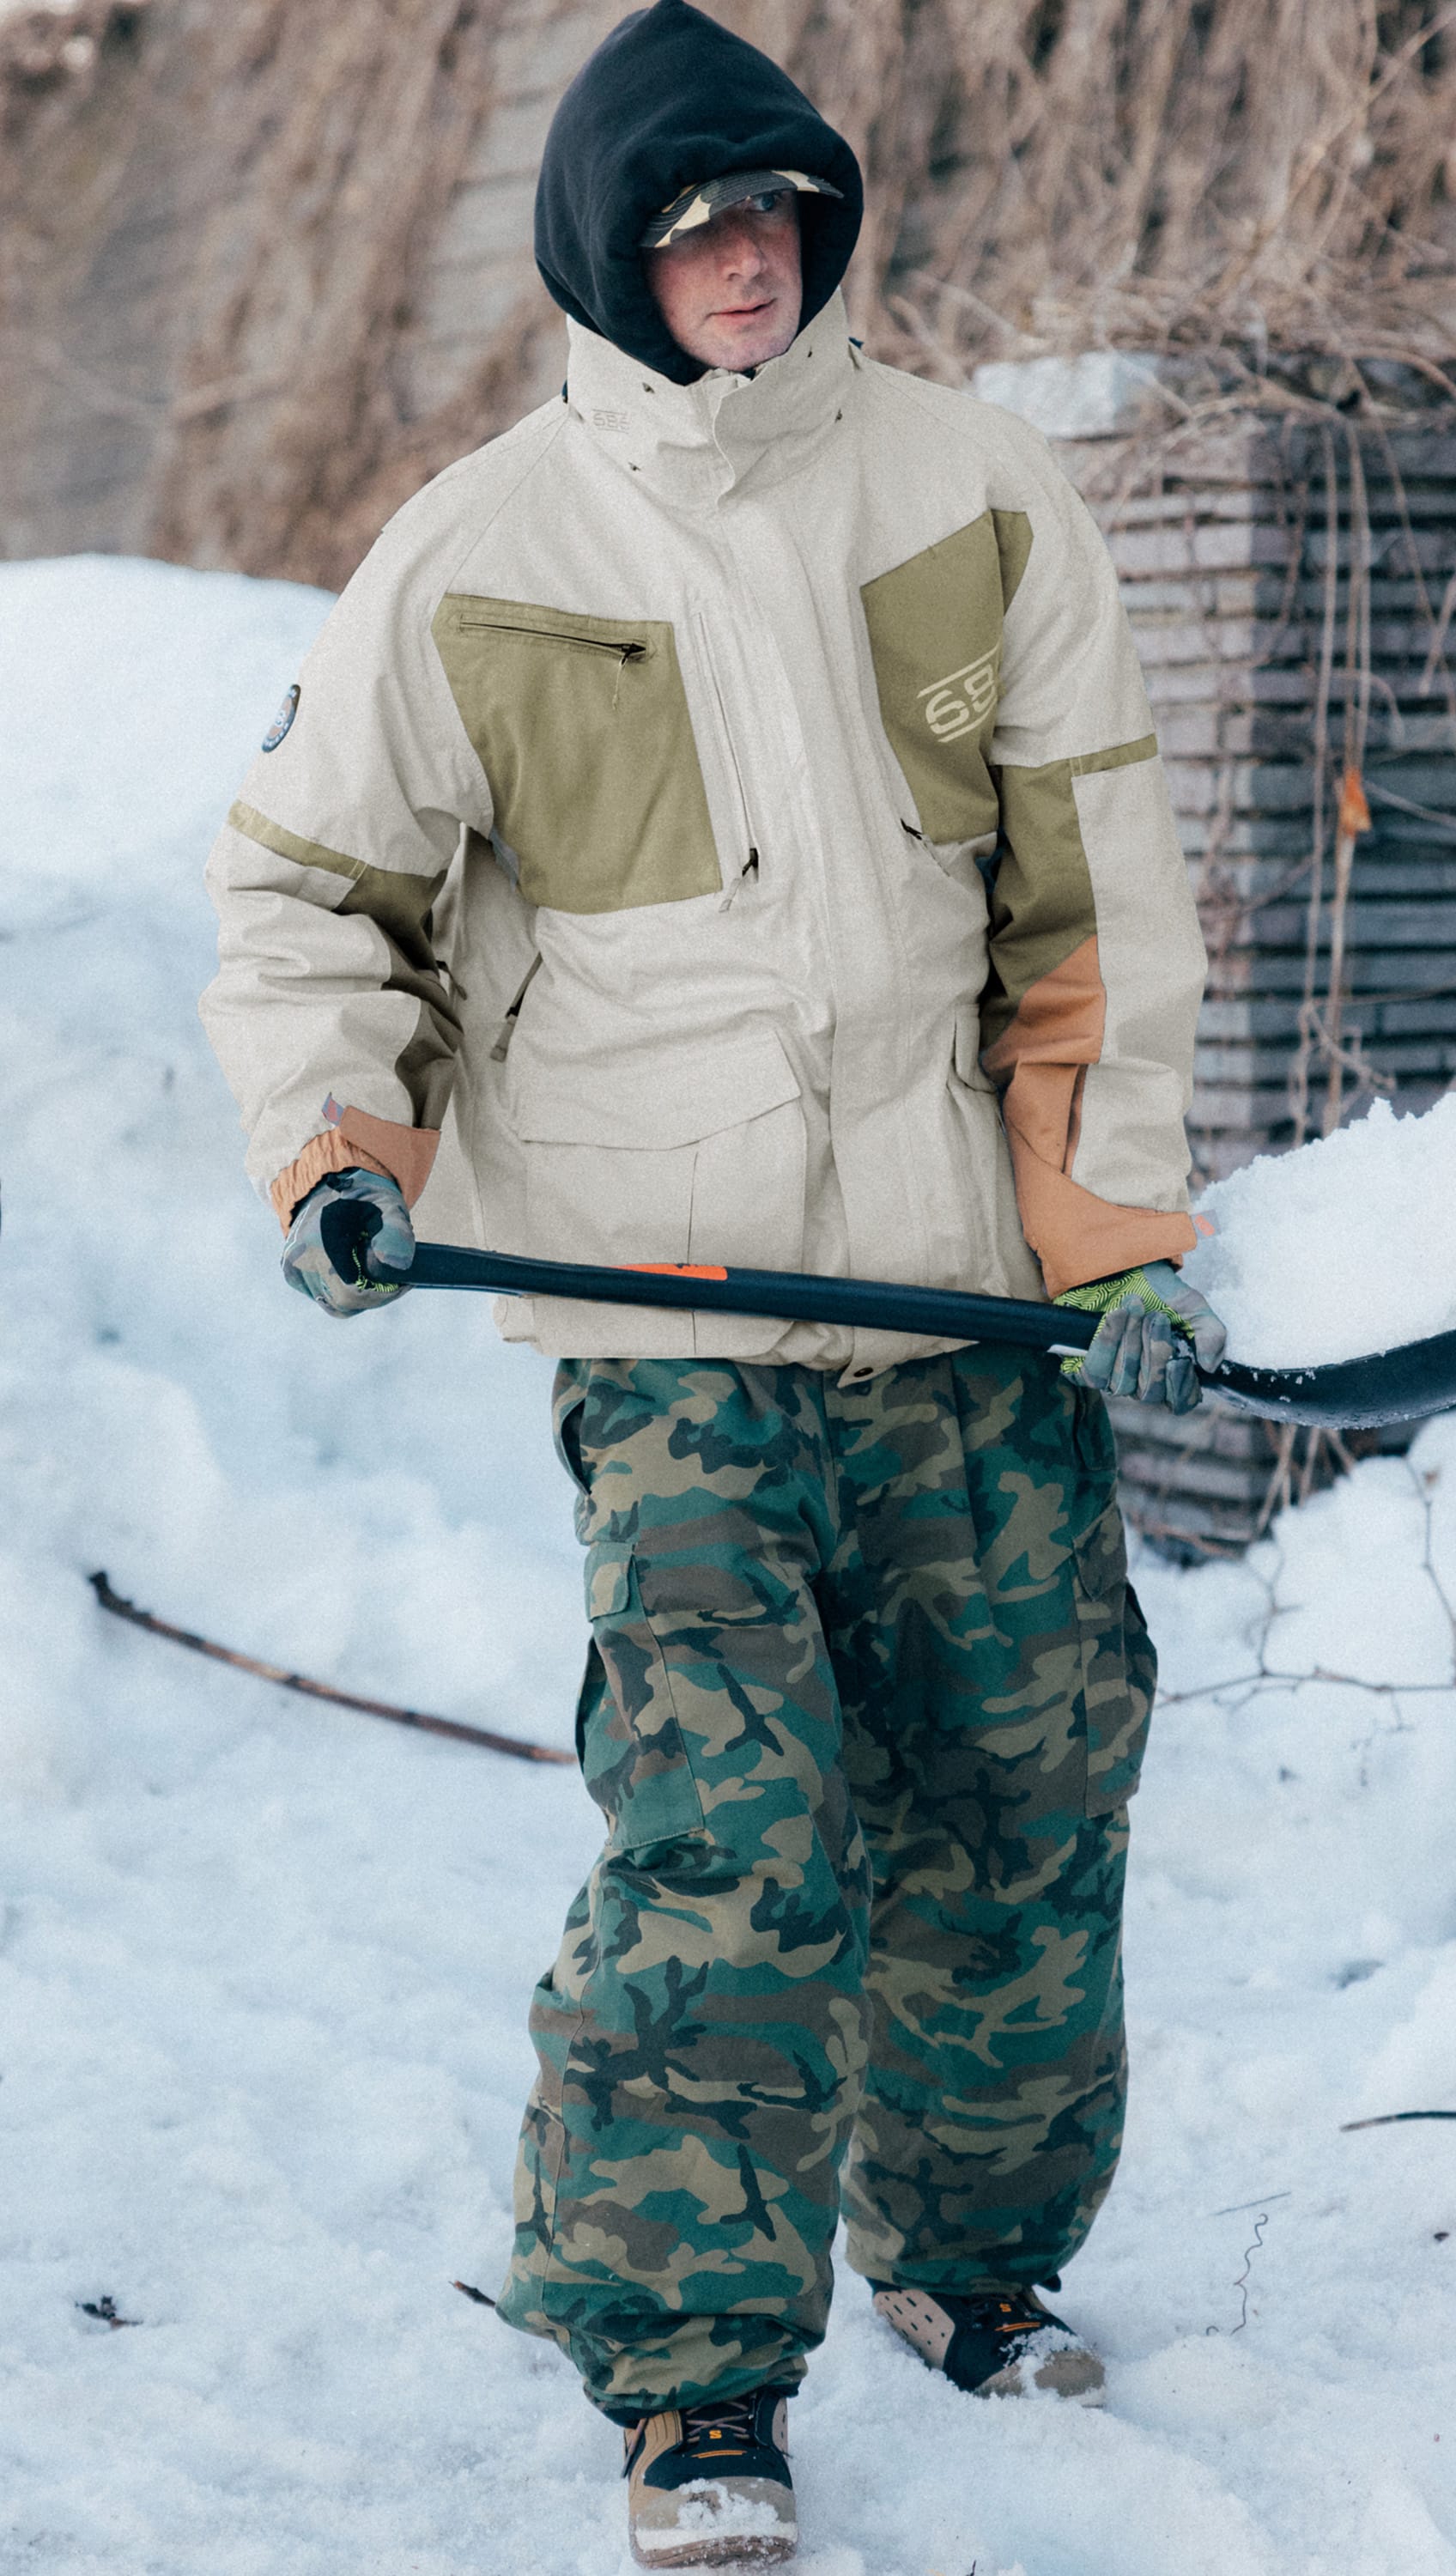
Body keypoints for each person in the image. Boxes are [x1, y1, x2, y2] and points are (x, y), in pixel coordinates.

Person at [200, 3, 1222, 2562]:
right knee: (731, 1834)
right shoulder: (480, 552)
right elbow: (320, 893)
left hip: (969, 1311)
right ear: (606, 262)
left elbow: (1091, 904)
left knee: (1022, 1782)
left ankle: (974, 2266)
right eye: (687, 234)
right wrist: (340, 1144)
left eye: (771, 219)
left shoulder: (976, 494)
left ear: (826, 229)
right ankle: (690, 2380)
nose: (741, 265)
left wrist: (1115, 1238)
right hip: (672, 1336)